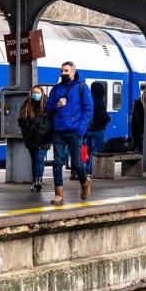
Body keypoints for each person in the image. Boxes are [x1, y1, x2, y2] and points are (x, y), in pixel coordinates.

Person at [46, 61, 93, 205]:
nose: (63, 74)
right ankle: (58, 194)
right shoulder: (56, 89)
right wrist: (56, 105)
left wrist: (81, 129)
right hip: (59, 130)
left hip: (74, 131)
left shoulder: (82, 88)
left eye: (66, 71)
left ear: (73, 72)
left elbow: (88, 110)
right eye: (61, 71)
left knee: (77, 164)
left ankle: (85, 182)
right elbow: (48, 107)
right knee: (57, 162)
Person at [18, 86, 51, 192]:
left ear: (42, 93)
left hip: (44, 139)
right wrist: (26, 136)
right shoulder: (26, 105)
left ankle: (38, 182)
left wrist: (44, 133)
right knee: (34, 161)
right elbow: (22, 121)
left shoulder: (48, 105)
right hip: (31, 139)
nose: (35, 95)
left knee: (39, 159)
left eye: (38, 92)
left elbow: (50, 123)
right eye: (34, 92)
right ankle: (34, 181)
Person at [84, 81, 110, 175]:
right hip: (98, 130)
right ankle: (91, 169)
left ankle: (86, 168)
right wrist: (108, 118)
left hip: (87, 131)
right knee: (95, 151)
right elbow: (102, 117)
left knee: (87, 150)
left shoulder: (87, 101)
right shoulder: (99, 103)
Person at [131, 83, 145, 152]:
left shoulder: (137, 104)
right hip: (138, 134)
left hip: (137, 133)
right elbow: (140, 120)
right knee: (140, 150)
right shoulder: (139, 106)